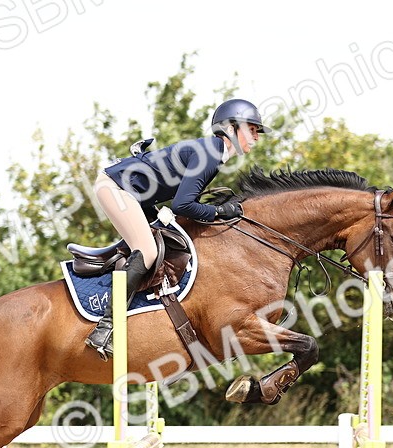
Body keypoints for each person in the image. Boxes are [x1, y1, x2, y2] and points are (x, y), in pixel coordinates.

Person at [84, 98, 268, 358]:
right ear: (232, 128)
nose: (256, 137)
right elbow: (183, 205)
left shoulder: (213, 152)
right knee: (147, 251)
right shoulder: (211, 152)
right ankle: (104, 329)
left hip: (134, 193)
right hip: (115, 187)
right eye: (252, 129)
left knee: (162, 241)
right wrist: (219, 211)